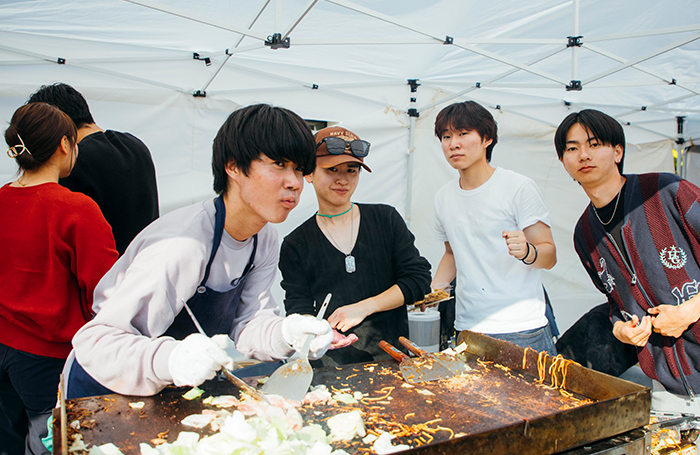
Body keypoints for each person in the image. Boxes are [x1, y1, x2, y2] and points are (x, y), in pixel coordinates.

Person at [64, 103, 334, 398]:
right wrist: (171, 359)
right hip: (101, 392)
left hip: (171, 392)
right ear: (233, 166)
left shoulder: (264, 238)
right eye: (279, 164)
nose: (294, 183)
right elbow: (98, 343)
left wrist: (287, 334)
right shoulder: (183, 244)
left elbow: (248, 324)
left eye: (299, 169)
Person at [555, 108, 700, 414]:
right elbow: (615, 301)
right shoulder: (585, 234)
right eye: (572, 148)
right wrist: (620, 328)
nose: (583, 155)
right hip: (669, 388)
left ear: (618, 151)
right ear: (563, 162)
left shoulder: (666, 191)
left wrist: (689, 311)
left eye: (594, 144)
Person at [0, 103, 118, 455]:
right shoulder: (76, 209)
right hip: (47, 358)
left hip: (3, 343)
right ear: (65, 145)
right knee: (51, 441)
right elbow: (106, 291)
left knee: (8, 440)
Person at [280, 126, 431, 366]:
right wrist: (316, 333)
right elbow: (298, 307)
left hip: (392, 359)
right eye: (332, 169)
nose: (343, 179)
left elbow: (418, 281)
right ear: (309, 173)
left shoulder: (385, 220)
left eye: (352, 170)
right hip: (330, 366)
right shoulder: (296, 243)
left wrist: (364, 307)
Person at [430, 101, 558, 354]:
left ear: (487, 139)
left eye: (463, 134)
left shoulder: (518, 187)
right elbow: (452, 254)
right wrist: (432, 298)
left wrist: (528, 251)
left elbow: (550, 255)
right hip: (468, 327)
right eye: (446, 136)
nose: (453, 144)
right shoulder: (443, 197)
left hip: (521, 328)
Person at [28, 83, 159, 255]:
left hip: (109, 265)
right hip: (147, 257)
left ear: (53, 122)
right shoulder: (136, 144)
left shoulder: (75, 161)